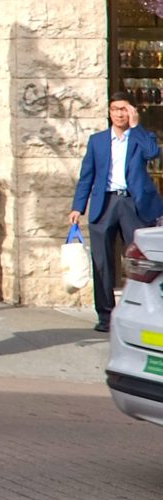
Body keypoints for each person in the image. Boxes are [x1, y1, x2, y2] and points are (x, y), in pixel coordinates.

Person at [70, 95, 163, 332]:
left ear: (131, 111)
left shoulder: (141, 137)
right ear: (109, 113)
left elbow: (153, 153)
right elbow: (87, 176)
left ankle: (138, 312)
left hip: (133, 204)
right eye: (115, 110)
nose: (119, 114)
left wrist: (136, 126)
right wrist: (77, 207)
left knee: (139, 261)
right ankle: (105, 315)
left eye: (124, 109)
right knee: (102, 261)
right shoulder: (97, 141)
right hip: (105, 203)